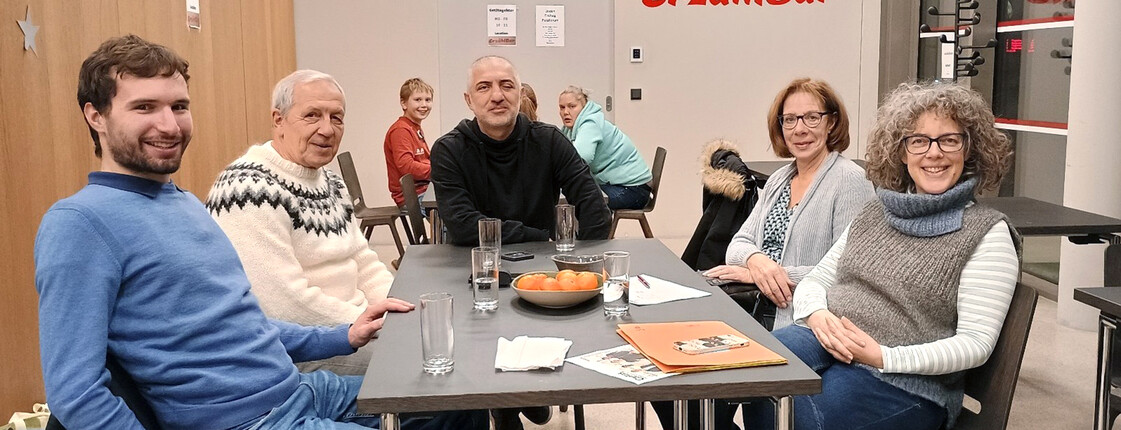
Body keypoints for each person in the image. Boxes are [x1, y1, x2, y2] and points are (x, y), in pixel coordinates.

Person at [35, 34, 486, 430]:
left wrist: (342, 335)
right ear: (95, 116)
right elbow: (76, 396)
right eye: (144, 108)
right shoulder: (80, 224)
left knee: (458, 398)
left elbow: (243, 323)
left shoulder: (183, 203)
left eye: (179, 106)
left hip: (298, 390)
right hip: (250, 419)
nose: (170, 125)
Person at [741, 81, 1020, 430]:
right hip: (827, 338)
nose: (933, 153)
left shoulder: (987, 233)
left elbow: (974, 344)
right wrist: (816, 314)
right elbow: (817, 279)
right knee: (749, 372)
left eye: (949, 140)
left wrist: (883, 356)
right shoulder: (876, 211)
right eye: (918, 141)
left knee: (794, 416)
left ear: (970, 149)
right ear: (901, 152)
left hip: (904, 381)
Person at [206, 70, 395, 376]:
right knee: (426, 372)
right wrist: (377, 326)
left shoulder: (331, 182)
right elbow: (284, 305)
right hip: (301, 350)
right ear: (278, 120)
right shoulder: (247, 187)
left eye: (337, 117)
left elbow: (364, 262)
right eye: (312, 115)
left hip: (354, 329)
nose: (327, 129)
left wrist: (399, 313)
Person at [704, 78, 875, 331]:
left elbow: (849, 272)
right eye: (790, 119)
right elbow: (738, 245)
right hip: (756, 306)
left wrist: (762, 276)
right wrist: (757, 261)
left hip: (806, 320)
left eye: (812, 118)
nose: (800, 129)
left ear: (832, 122)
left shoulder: (850, 181)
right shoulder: (779, 179)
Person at [431, 56, 611, 247]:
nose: (497, 96)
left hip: (542, 267)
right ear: (469, 100)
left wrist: (578, 265)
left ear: (520, 94)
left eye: (507, 86)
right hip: (475, 265)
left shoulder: (550, 141)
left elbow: (595, 210)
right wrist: (535, 236)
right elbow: (463, 226)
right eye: (483, 87)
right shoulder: (448, 151)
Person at [559, 85, 653, 210]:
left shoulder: (590, 123)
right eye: (562, 107)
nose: (566, 112)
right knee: (575, 194)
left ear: (584, 107)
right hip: (619, 185)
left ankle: (586, 230)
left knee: (582, 199)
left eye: (572, 106)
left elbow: (582, 157)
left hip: (634, 190)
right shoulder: (569, 129)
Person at [384, 78, 434, 207]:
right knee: (454, 209)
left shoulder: (414, 127)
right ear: (403, 103)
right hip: (412, 196)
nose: (424, 105)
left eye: (428, 100)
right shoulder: (401, 130)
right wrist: (437, 171)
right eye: (417, 100)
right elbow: (406, 166)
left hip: (423, 189)